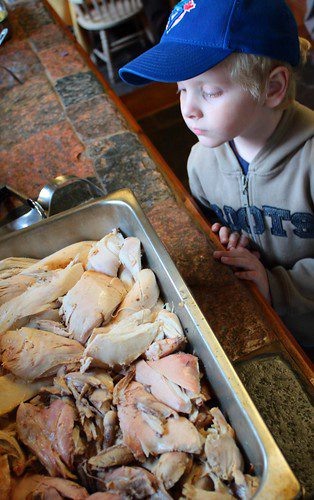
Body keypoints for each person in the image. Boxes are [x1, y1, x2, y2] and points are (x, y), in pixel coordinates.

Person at [119, 0, 314, 348]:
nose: (189, 110)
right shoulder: (201, 162)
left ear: (272, 88)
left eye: (210, 92)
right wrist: (227, 237)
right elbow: (213, 219)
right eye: (181, 90)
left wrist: (277, 286)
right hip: (261, 326)